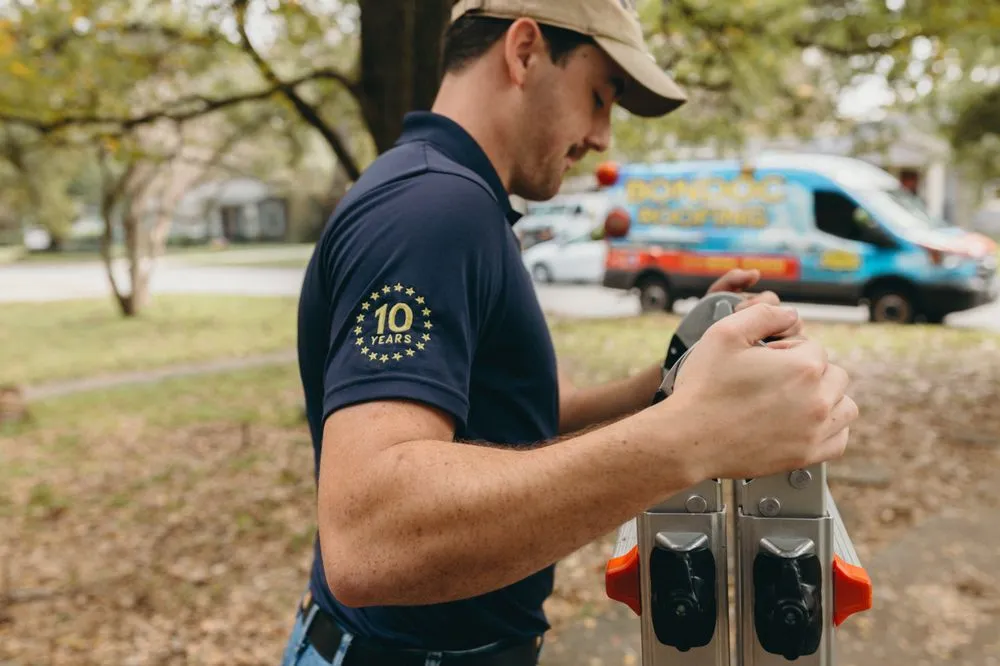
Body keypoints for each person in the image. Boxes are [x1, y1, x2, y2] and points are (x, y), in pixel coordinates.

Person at [282, 1, 858, 665]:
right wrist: (695, 436)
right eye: (600, 97)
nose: (603, 137)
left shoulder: (465, 202)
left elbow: (533, 418)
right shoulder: (434, 208)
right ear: (525, 51)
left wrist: (681, 375)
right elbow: (370, 534)